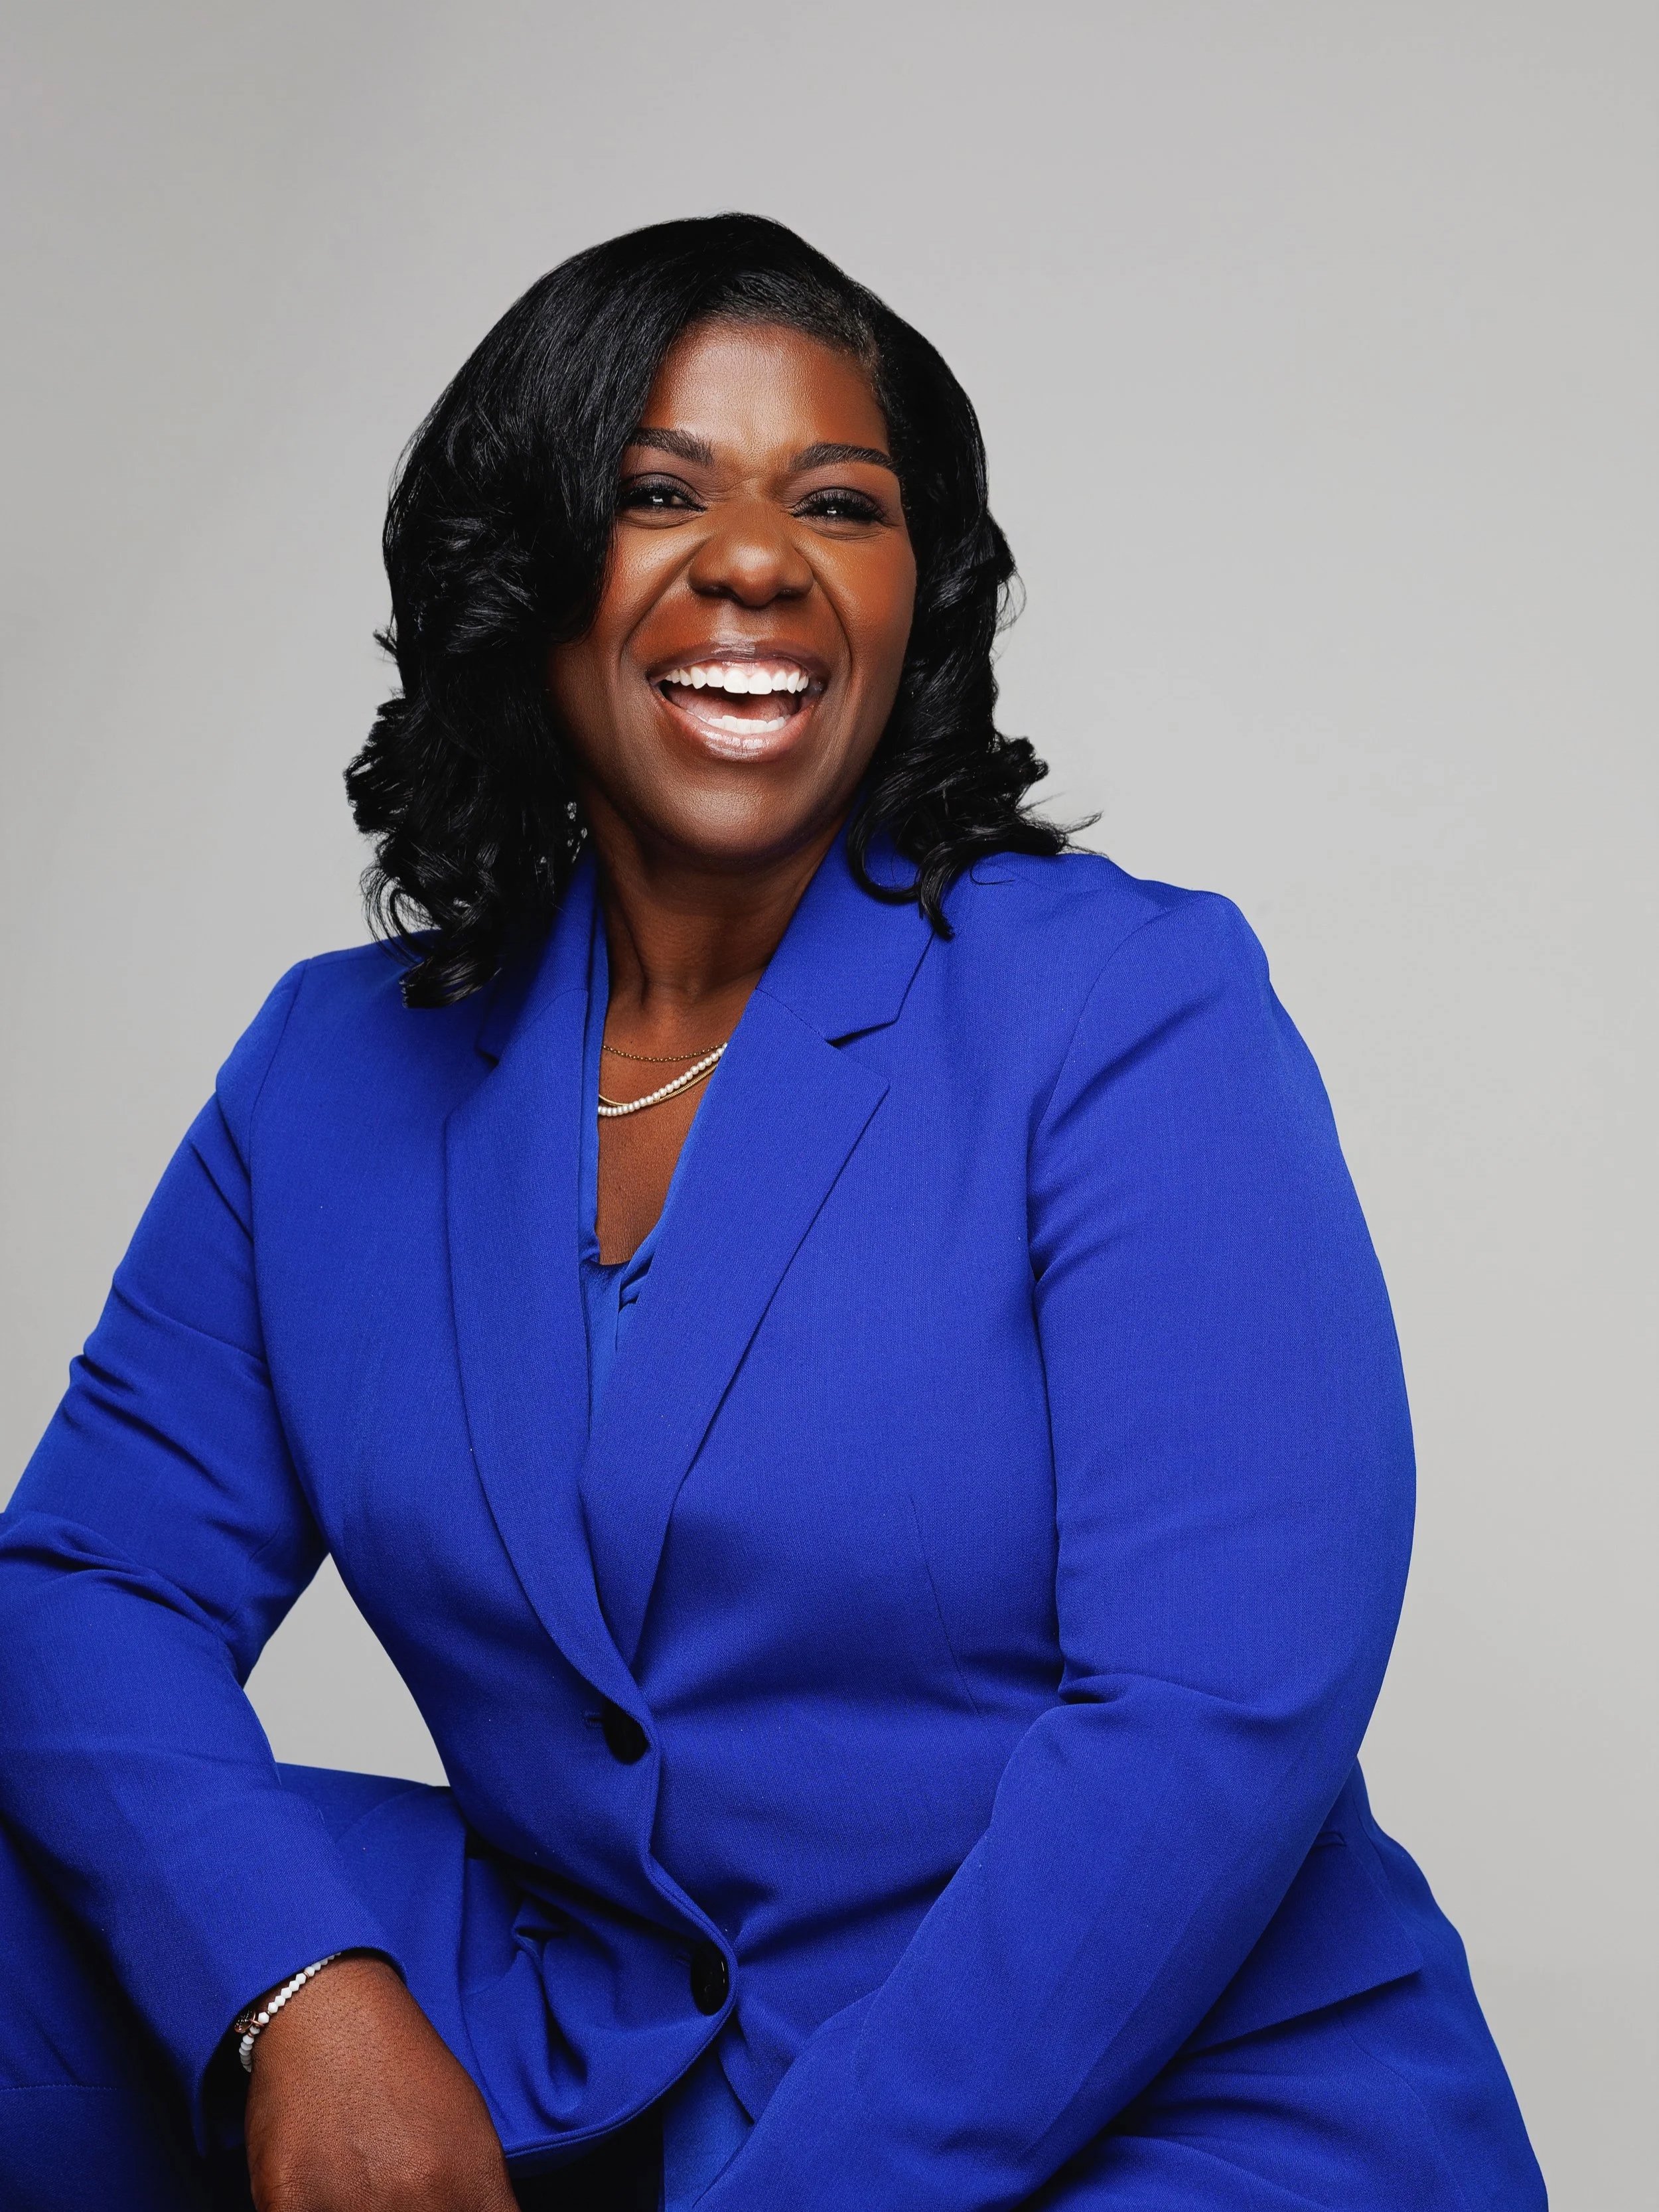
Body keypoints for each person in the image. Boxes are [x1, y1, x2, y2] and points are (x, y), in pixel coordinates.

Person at [0, 214, 1544, 2212]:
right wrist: (301, 1994)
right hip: (584, 2023)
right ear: (525, 578)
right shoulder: (330, 1073)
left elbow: (1209, 1717)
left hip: (1143, 2087)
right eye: (658, 492)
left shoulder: (1118, 1005)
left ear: (913, 601)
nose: (756, 557)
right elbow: (83, 1591)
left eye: (840, 501)